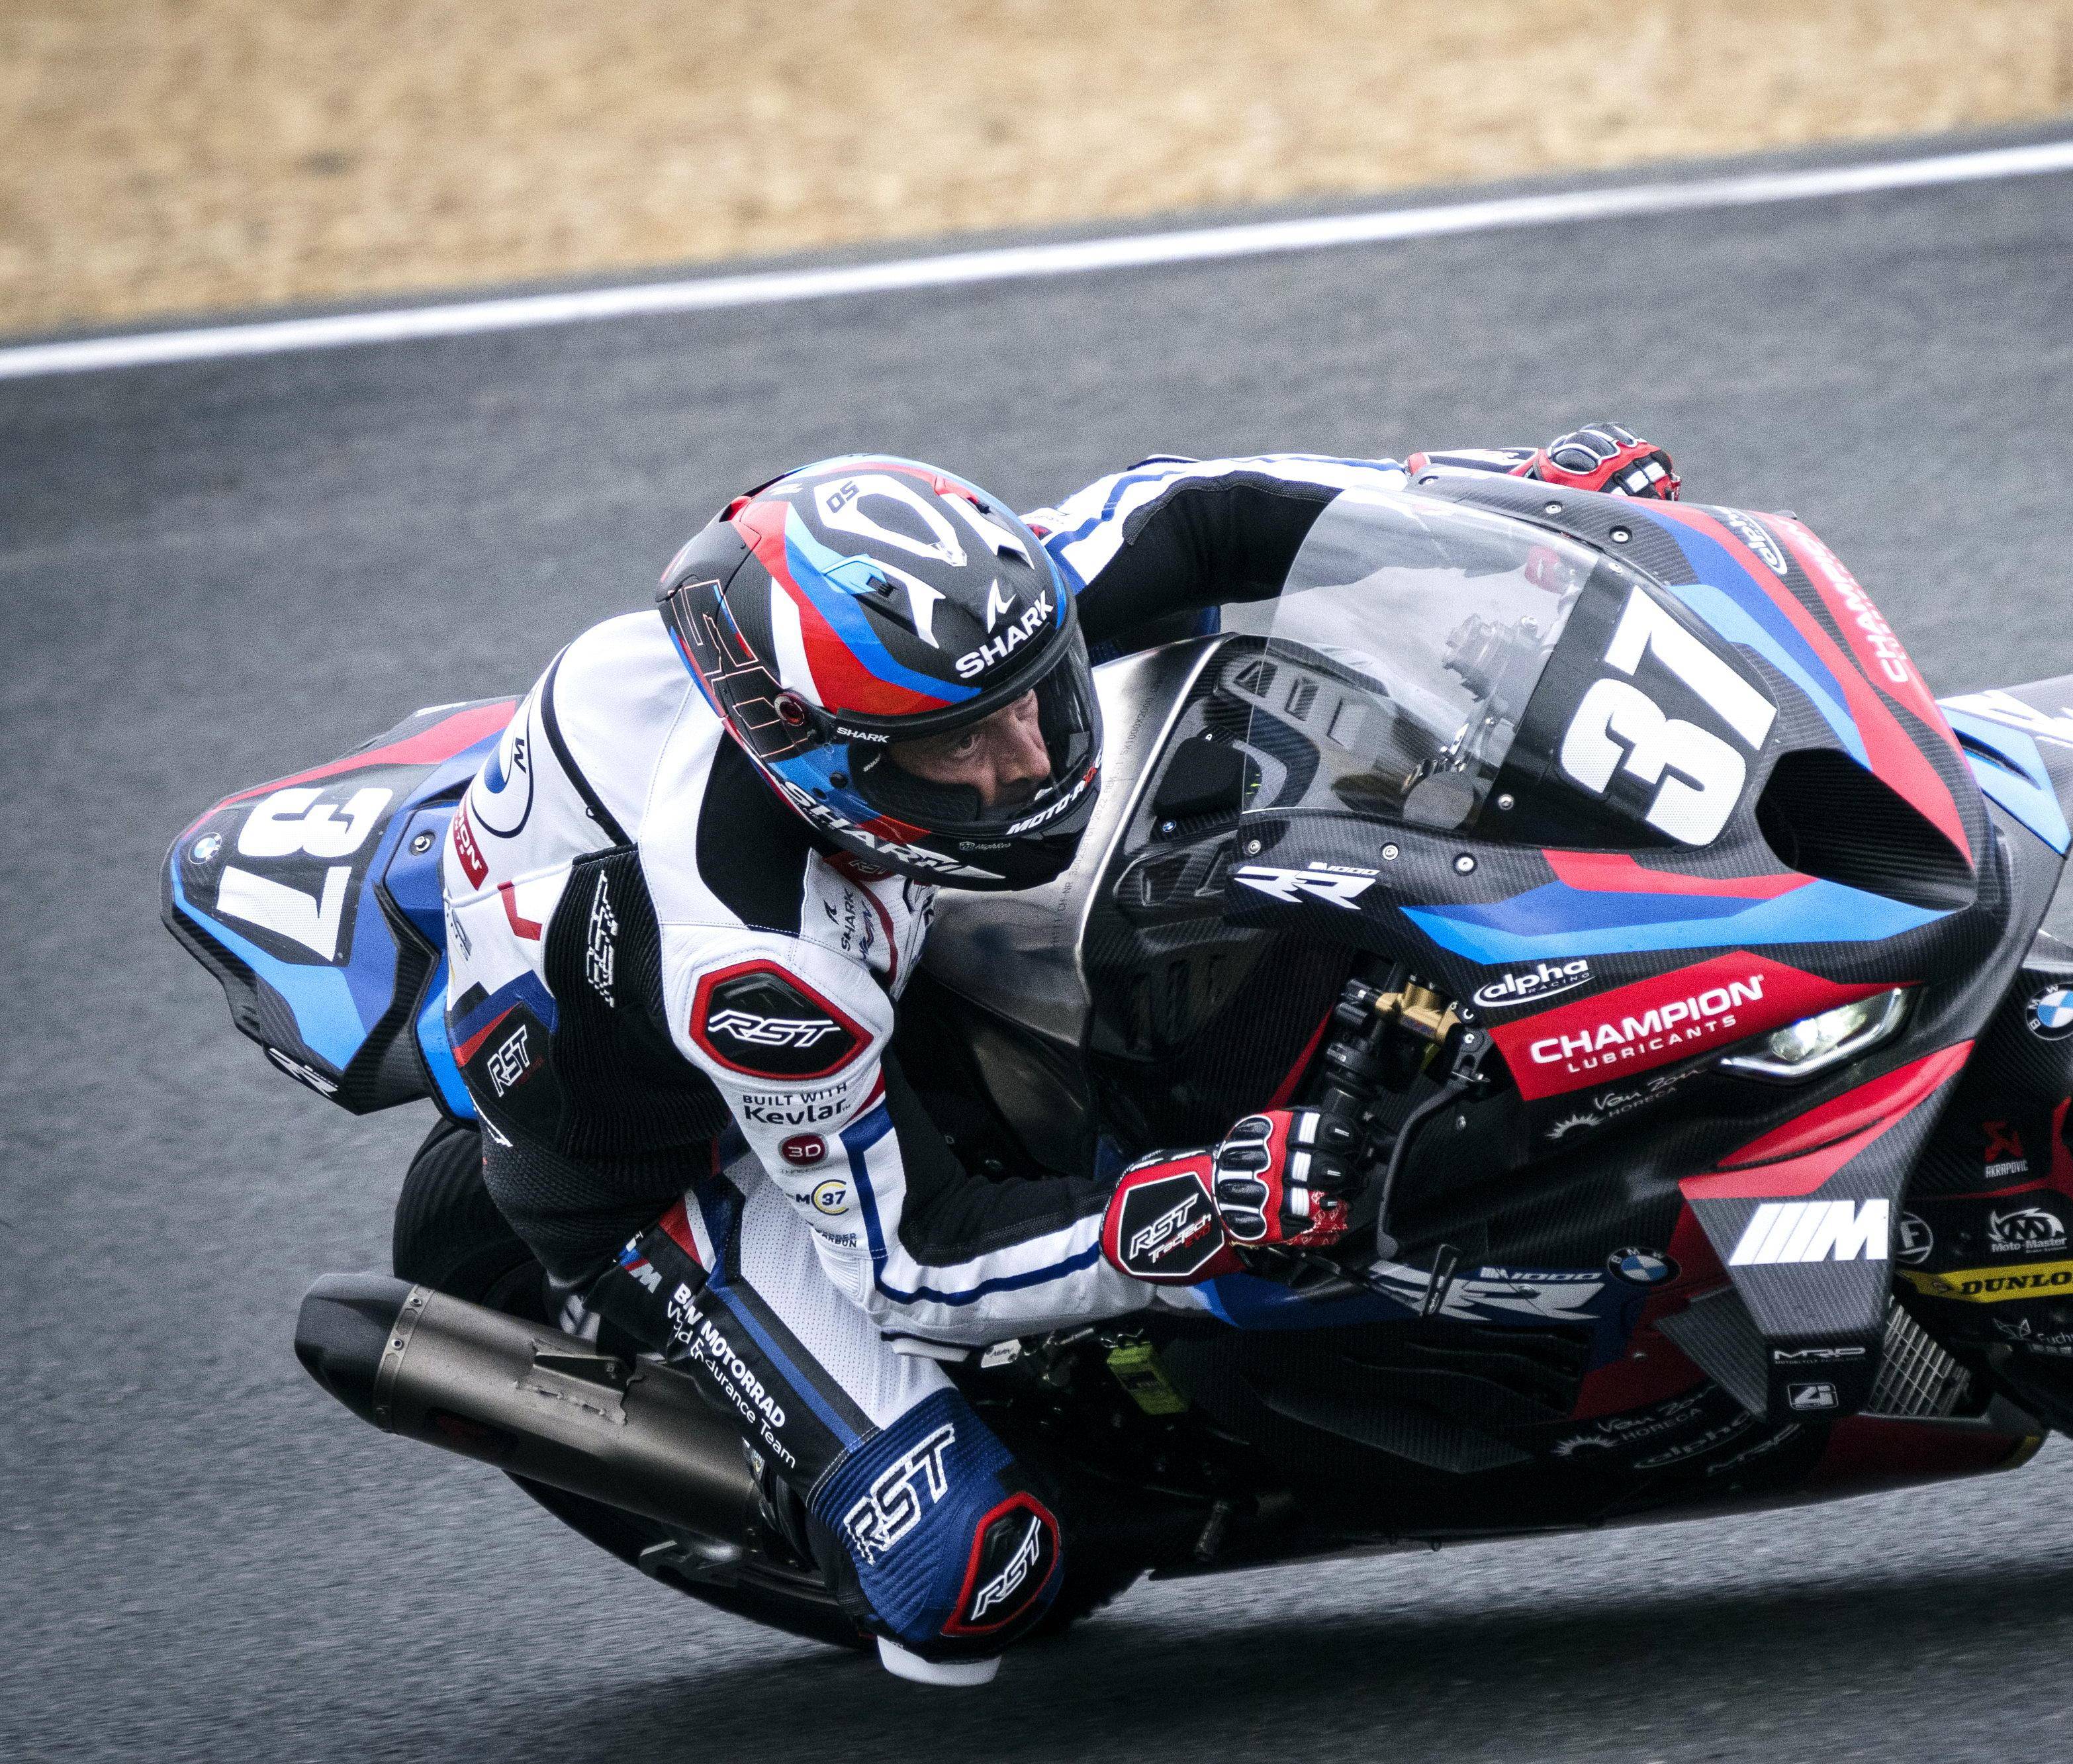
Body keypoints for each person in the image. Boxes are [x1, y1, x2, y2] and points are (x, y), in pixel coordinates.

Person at [431, 424, 1682, 1683]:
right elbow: (914, 1255)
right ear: (831, 769)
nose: (1030, 755)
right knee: (970, 1570)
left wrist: (1507, 495)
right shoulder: (763, 963)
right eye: (959, 747)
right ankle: (814, 1471)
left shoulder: (949, 645)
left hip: (829, 922)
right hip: (663, 1162)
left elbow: (1202, 507)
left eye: (1031, 695)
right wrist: (1193, 1203)